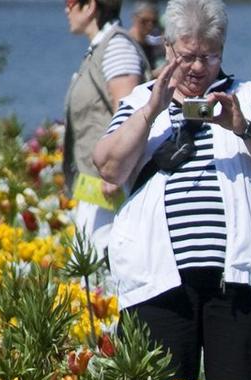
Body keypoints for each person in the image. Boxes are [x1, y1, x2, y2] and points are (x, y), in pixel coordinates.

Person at [91, 0, 251, 380]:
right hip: (157, 282)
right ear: (167, 48)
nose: (197, 67)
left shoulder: (250, 96)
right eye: (187, 56)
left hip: (241, 281)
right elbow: (109, 166)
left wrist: (243, 128)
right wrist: (152, 110)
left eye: (209, 56)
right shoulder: (140, 100)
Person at [63, 0, 147, 250]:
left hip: (113, 189)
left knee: (103, 266)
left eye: (70, 2)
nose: (66, 9)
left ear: (90, 6)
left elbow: (129, 113)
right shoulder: (101, 47)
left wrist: (116, 170)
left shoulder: (117, 47)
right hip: (95, 188)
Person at [129, 2, 167, 68]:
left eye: (154, 22)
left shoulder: (149, 47)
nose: (150, 26)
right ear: (134, 18)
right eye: (145, 21)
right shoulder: (127, 44)